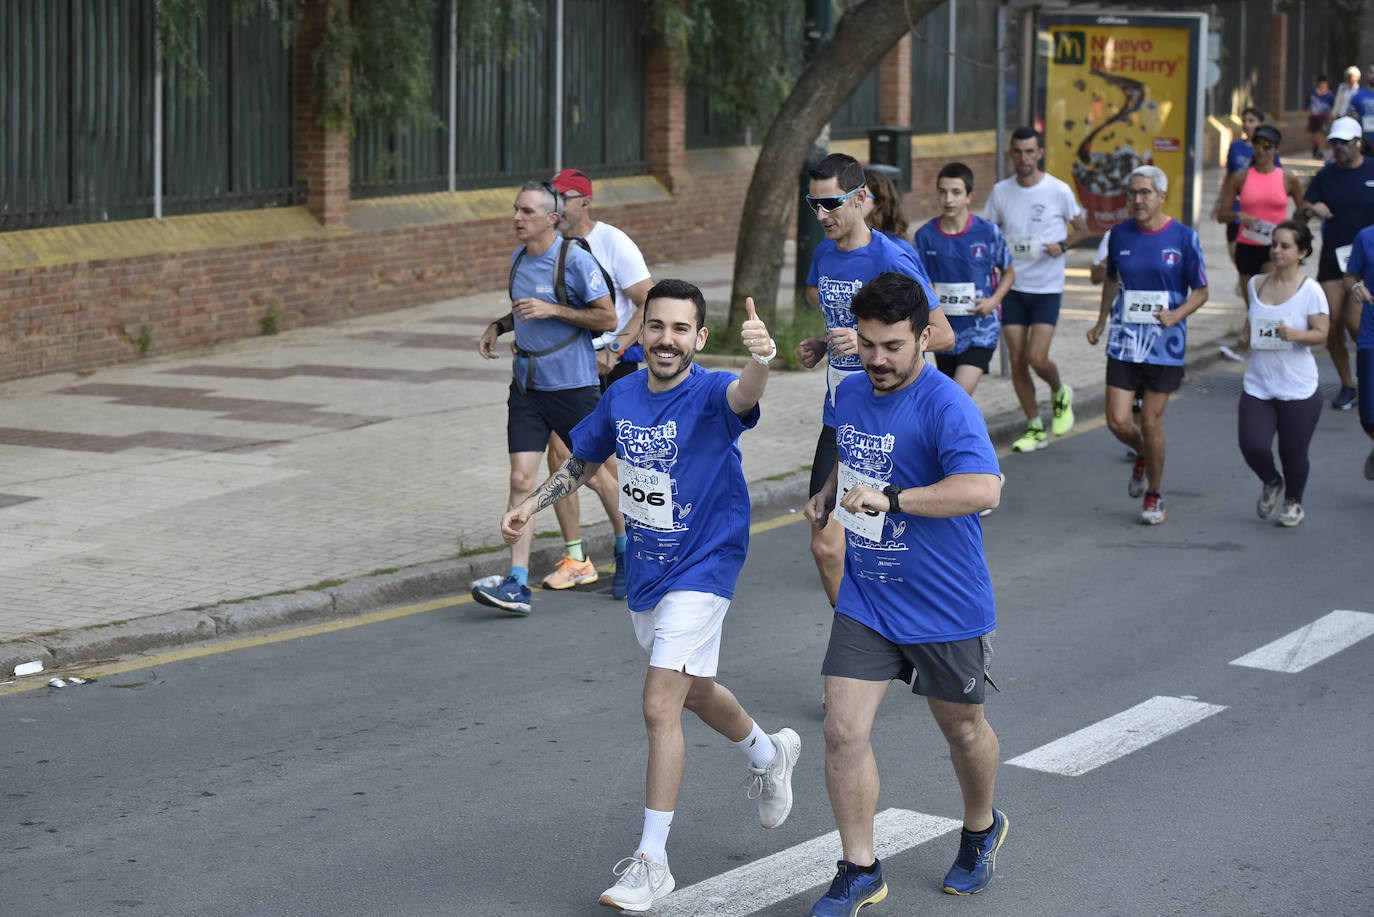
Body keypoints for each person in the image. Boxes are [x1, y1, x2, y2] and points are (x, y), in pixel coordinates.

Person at [500, 279, 801, 912]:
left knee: (659, 703)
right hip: (650, 571)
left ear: (700, 337)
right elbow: (583, 461)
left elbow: (746, 395)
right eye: (656, 327)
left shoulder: (714, 391)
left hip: (706, 563)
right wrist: (530, 504)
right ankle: (769, 753)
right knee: (694, 691)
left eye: (680, 329)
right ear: (645, 332)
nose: (666, 340)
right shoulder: (624, 393)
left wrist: (762, 358)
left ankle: (652, 860)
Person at [803, 271, 1005, 917]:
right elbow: (856, 448)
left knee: (963, 730)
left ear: (924, 337)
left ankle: (980, 827)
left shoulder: (947, 404)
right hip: (869, 593)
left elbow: (984, 489)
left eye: (892, 345)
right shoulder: (854, 392)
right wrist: (831, 488)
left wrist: (893, 500)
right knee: (841, 729)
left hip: (944, 601)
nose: (878, 359)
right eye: (867, 344)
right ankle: (859, 868)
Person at [796, 152, 950, 608]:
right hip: (841, 413)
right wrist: (824, 344)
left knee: (896, 541)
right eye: (814, 204)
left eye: (833, 203)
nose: (823, 215)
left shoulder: (893, 257)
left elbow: (942, 334)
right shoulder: (824, 255)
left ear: (861, 197)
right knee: (826, 541)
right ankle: (860, 639)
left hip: (894, 416)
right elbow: (844, 324)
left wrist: (870, 347)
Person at [471, 181, 617, 615]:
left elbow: (607, 316)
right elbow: (524, 310)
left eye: (527, 212)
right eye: (515, 210)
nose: (517, 218)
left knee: (593, 475)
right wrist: (498, 326)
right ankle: (516, 583)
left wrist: (553, 309)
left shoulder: (574, 260)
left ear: (551, 218)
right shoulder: (517, 258)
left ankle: (628, 549)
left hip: (572, 385)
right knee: (521, 479)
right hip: (528, 386)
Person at [529, 168, 655, 597]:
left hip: (609, 363)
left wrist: (616, 349)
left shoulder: (613, 242)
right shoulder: (551, 247)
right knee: (559, 452)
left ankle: (629, 548)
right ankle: (576, 557)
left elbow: (647, 301)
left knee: (603, 462)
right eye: (553, 197)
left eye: (562, 197)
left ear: (585, 201)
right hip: (565, 365)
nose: (557, 205)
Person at [1087, 166, 1209, 525]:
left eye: (1144, 193)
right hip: (1125, 342)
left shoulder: (1184, 237)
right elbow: (1111, 280)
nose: (1136, 200)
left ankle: (1154, 493)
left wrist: (1178, 314)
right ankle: (1144, 454)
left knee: (1152, 423)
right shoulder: (1119, 235)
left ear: (1161, 196)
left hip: (1164, 344)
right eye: (1131, 193)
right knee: (1117, 421)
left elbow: (1201, 290)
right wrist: (1100, 321)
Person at [985, 126, 1089, 453]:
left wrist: (1063, 244)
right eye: (1018, 152)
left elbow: (1083, 228)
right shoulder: (1001, 191)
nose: (1024, 158)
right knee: (1017, 360)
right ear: (1011, 154)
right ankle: (1034, 426)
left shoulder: (1058, 190)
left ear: (1039, 153)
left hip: (1046, 287)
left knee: (1036, 357)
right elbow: (990, 232)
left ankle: (1060, 392)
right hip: (1013, 285)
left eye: (1030, 151)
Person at [1232, 221, 1330, 527]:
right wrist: (1245, 336)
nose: (1276, 251)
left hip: (1298, 387)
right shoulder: (1256, 284)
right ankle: (1271, 481)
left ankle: (1293, 502)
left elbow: (1322, 333)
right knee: (1253, 445)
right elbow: (1252, 320)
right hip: (1259, 383)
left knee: (1293, 452)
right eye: (1274, 244)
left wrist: (1296, 335)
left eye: (1285, 246)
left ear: (1301, 252)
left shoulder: (1310, 290)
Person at [915, 162, 1015, 395]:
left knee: (957, 393)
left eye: (956, 192)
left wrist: (993, 302)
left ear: (969, 197)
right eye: (942, 192)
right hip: (944, 329)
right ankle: (966, 432)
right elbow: (919, 279)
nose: (948, 199)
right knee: (950, 397)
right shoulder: (925, 236)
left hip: (981, 329)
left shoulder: (988, 232)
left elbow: (1009, 271)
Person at [1297, 116, 1374, 410]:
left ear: (1359, 142)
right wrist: (1311, 208)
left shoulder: (1371, 169)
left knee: (1357, 323)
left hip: (1367, 260)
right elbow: (1302, 209)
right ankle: (1348, 385)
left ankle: (1367, 375)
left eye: (1344, 142)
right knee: (1331, 325)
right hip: (1334, 258)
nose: (1338, 148)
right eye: (1334, 143)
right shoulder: (1325, 176)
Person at [1216, 124, 1304, 303]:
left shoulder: (1288, 179)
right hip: (1246, 246)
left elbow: (1303, 211)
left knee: (1267, 300)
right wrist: (1238, 215)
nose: (1261, 151)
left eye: (1267, 146)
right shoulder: (1240, 178)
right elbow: (1221, 215)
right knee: (1252, 305)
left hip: (1274, 247)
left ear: (1276, 149)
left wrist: (1290, 225)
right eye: (1257, 145)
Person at [1344, 224, 1374, 479]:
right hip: (1371, 338)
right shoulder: (1365, 237)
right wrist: (1355, 288)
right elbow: (1349, 276)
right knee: (1369, 416)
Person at [861, 166, 919, 259]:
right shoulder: (837, 243)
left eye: (860, 196)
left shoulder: (899, 250)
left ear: (879, 201)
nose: (854, 201)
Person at [1344, 65, 1374, 153]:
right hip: (1363, 143)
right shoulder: (1358, 96)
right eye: (1371, 72)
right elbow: (1349, 116)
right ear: (1367, 74)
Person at [1307, 75, 1336, 157]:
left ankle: (1320, 151)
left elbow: (1333, 105)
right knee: (1310, 135)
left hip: (1323, 116)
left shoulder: (1329, 94)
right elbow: (1308, 102)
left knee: (1321, 134)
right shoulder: (1313, 92)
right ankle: (1315, 145)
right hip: (1313, 116)